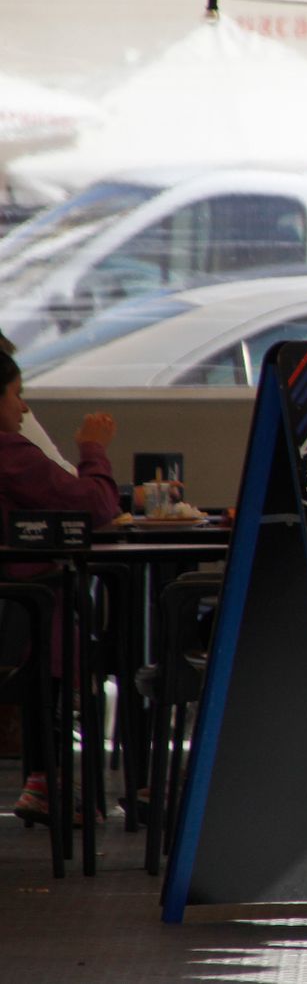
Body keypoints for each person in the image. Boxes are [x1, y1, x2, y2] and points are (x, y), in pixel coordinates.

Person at [0, 349, 121, 821]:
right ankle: (59, 782)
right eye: (16, 395)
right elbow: (95, 506)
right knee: (74, 635)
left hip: (18, 603)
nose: (24, 409)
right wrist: (94, 450)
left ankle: (44, 779)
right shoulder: (10, 454)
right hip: (23, 613)